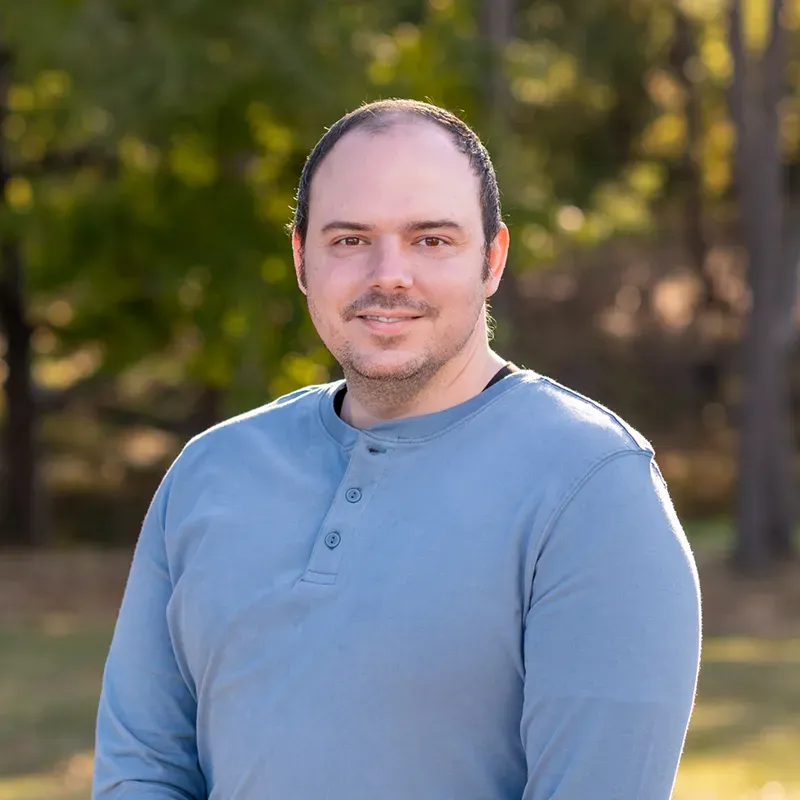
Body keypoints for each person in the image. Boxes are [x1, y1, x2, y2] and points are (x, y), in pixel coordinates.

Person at [93, 99, 702, 800]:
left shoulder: (593, 485)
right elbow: (141, 772)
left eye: (431, 240)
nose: (389, 275)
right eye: (350, 240)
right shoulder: (210, 473)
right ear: (300, 258)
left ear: (492, 258)